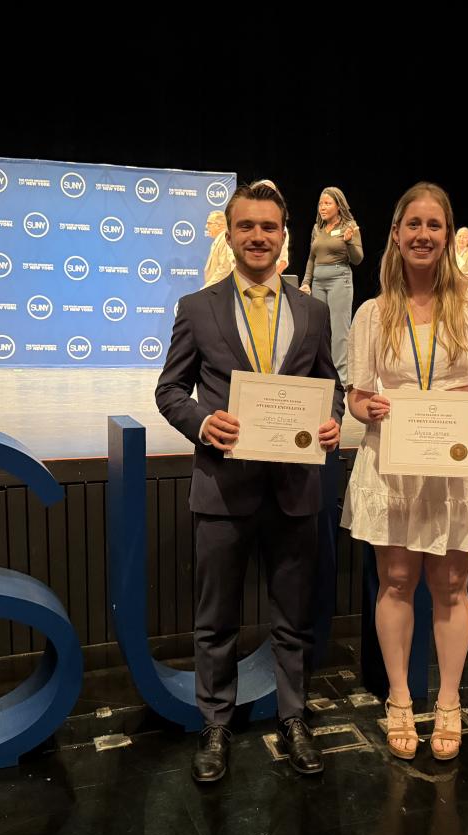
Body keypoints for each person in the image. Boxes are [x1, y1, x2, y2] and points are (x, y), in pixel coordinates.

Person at [155, 180, 344, 783]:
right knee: (216, 620)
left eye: (269, 227)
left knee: (293, 617)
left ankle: (293, 719)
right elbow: (169, 391)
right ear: (231, 234)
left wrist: (332, 418)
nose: (258, 236)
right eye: (247, 227)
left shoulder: (312, 311)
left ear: (284, 236)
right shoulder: (197, 307)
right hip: (224, 487)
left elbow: (328, 384)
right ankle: (215, 726)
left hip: (294, 489)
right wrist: (204, 421)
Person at [341, 182, 468, 762]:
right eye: (412, 224)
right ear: (395, 234)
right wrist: (370, 409)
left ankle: (446, 700)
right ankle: (397, 698)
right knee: (394, 582)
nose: (422, 234)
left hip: (456, 465)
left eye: (434, 225)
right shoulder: (373, 313)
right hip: (394, 464)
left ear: (447, 234)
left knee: (452, 586)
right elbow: (357, 397)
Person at [299, 187, 363, 383]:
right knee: (318, 329)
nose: (322, 207)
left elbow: (358, 259)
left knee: (338, 331)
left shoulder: (349, 226)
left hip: (339, 280)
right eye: (320, 203)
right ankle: (320, 374)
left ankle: (340, 380)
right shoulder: (317, 229)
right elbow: (311, 257)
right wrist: (306, 282)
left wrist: (350, 241)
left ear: (338, 205)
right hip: (318, 281)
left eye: (327, 203)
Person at [202, 210, 234, 287]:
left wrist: (207, 288)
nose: (206, 226)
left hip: (220, 290)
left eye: (209, 223)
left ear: (219, 225)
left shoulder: (225, 239)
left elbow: (224, 269)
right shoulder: (220, 240)